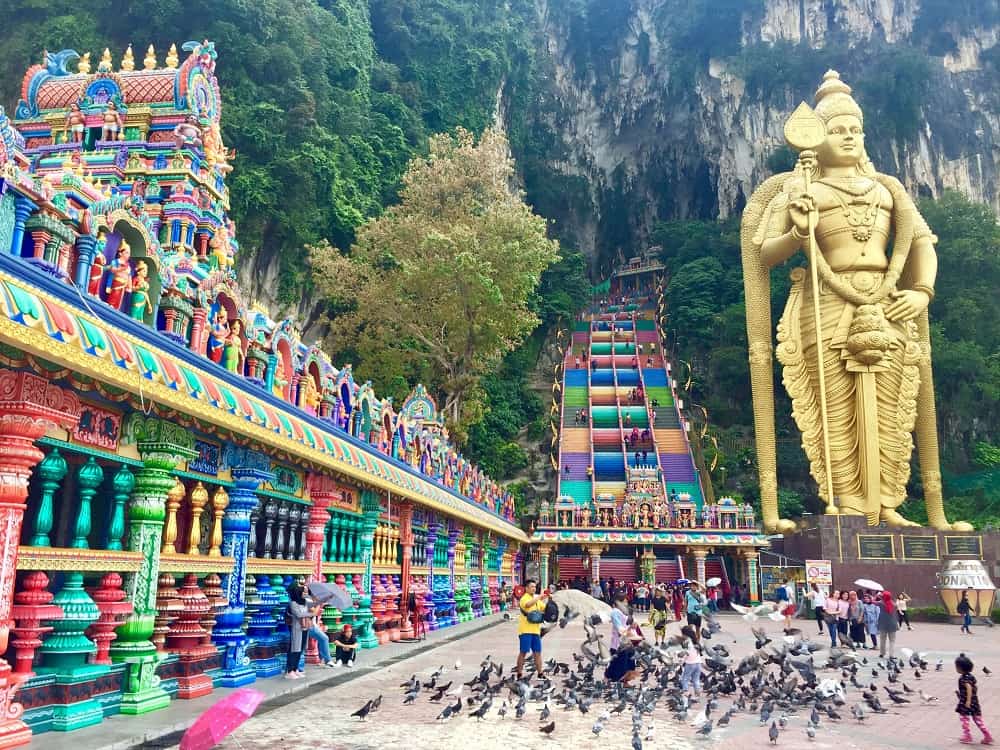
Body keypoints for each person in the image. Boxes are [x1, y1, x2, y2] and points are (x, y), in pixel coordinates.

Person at [956, 653, 993, 745]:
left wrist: (967, 700)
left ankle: (967, 735)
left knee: (964, 718)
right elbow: (974, 687)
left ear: (960, 668)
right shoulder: (971, 676)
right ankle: (987, 735)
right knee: (977, 719)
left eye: (956, 667)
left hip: (966, 702)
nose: (956, 669)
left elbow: (969, 687)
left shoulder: (963, 678)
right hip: (975, 702)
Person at [516, 579, 549, 679]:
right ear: (526, 588)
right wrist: (539, 596)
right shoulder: (524, 598)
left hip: (535, 630)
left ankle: (540, 673)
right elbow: (527, 605)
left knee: (537, 653)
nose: (534, 589)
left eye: (535, 587)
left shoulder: (537, 600)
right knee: (523, 652)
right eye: (532, 587)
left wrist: (549, 599)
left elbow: (545, 608)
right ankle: (519, 673)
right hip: (525, 630)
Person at [284, 583, 312, 679]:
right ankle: (289, 671)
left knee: (300, 649)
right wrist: (310, 613)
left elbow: (310, 609)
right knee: (294, 649)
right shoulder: (293, 603)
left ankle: (295, 669)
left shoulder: (304, 602)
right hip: (296, 629)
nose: (304, 594)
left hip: (304, 629)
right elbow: (299, 614)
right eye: (302, 592)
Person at [679, 625, 703, 699]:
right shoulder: (696, 641)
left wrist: (681, 659)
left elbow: (686, 653)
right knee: (696, 679)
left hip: (690, 663)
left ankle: (686, 693)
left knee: (685, 679)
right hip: (698, 663)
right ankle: (697, 695)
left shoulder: (687, 642)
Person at [877, 590, 899, 658]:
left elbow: (873, 601)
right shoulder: (894, 604)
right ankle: (891, 655)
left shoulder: (880, 603)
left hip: (882, 624)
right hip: (892, 624)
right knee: (892, 640)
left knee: (882, 639)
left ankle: (882, 653)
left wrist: (878, 596)